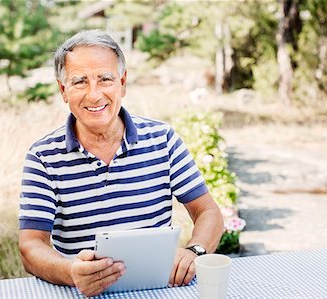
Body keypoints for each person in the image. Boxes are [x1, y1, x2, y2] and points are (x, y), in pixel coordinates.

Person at [18, 30, 224, 297]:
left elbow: (209, 212)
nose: (94, 95)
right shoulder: (43, 157)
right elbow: (31, 245)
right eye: (80, 81)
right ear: (63, 90)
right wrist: (70, 272)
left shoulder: (163, 139)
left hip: (159, 290)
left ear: (122, 83)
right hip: (81, 293)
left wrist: (194, 251)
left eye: (105, 79)